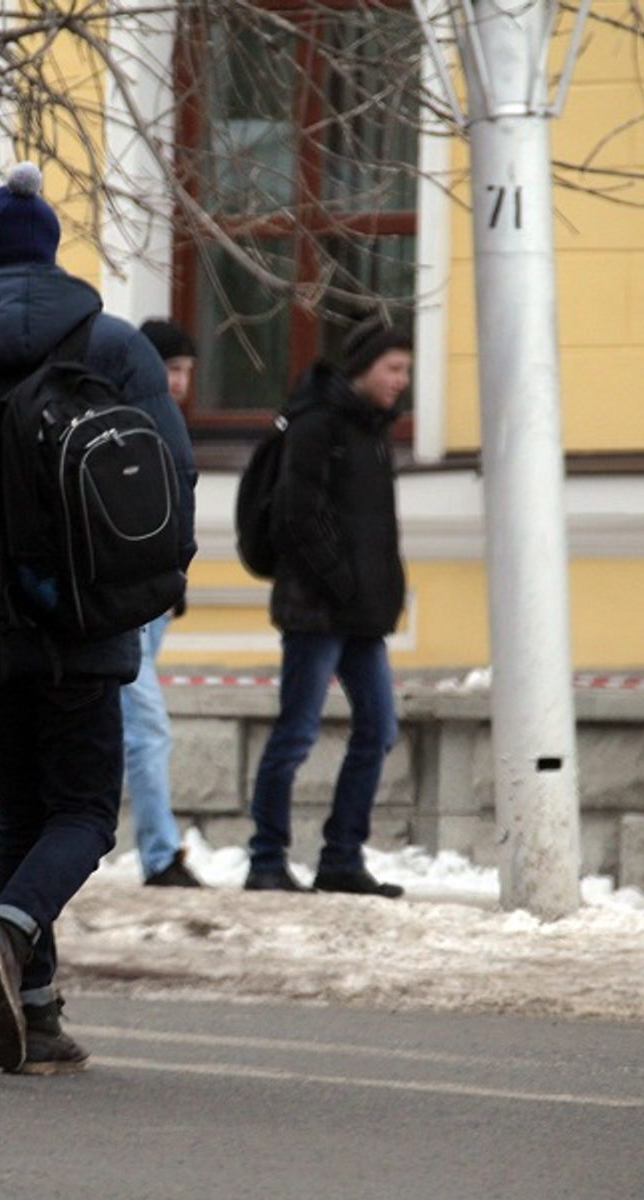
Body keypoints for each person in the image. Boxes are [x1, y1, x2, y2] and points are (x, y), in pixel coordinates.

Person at [0, 162, 197, 1074]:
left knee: (22, 808)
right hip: (84, 617)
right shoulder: (113, 348)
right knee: (86, 814)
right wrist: (136, 583)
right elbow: (169, 479)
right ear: (50, 253)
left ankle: (38, 1012)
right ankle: (10, 929)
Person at [0, 317, 203, 890]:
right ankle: (161, 855)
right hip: (116, 601)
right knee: (145, 729)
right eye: (172, 369)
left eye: (188, 371)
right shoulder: (116, 415)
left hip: (140, 599)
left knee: (112, 731)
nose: (181, 383)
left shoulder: (133, 416)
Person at [244, 318, 411, 898]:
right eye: (394, 369)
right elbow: (297, 515)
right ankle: (266, 860)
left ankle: (341, 857)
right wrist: (341, 583)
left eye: (407, 371)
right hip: (315, 611)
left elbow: (374, 531)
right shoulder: (318, 424)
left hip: (360, 615)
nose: (401, 381)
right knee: (296, 733)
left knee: (379, 729)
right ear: (363, 368)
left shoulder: (374, 431)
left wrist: (380, 595)